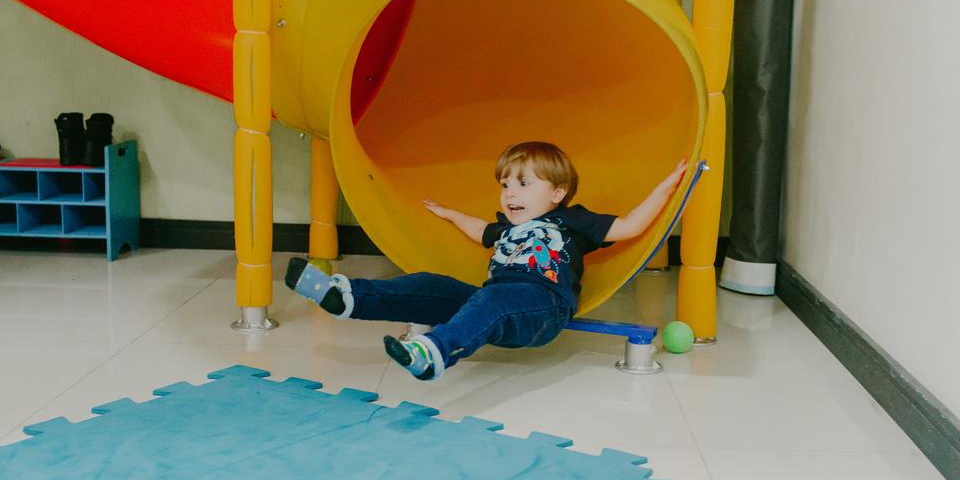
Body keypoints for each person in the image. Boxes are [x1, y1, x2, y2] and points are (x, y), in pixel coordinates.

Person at [285, 141, 687, 380]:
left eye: (524, 183)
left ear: (558, 193)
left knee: (491, 302)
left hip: (543, 306)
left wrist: (666, 189)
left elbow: (632, 225)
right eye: (505, 184)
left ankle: (434, 354)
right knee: (430, 284)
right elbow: (480, 230)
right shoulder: (506, 227)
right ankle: (346, 296)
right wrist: (449, 213)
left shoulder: (573, 220)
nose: (510, 193)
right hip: (494, 300)